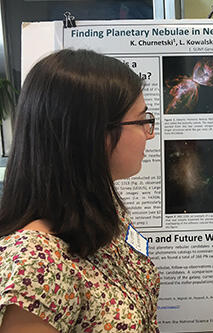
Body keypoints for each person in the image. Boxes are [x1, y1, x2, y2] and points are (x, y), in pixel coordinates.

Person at [0, 49, 159, 332]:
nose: (150, 132)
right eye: (140, 120)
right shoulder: (34, 263)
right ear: (92, 135)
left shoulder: (99, 213)